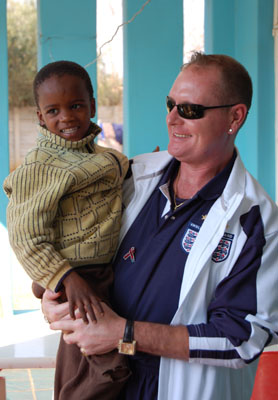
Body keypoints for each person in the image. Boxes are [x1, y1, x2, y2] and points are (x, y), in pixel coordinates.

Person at [44, 52, 278, 400]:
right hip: (100, 383)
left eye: (189, 110)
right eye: (170, 104)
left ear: (235, 117)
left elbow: (241, 339)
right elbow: (77, 247)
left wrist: (124, 333)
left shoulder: (254, 220)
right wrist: (55, 291)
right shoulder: (131, 175)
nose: (171, 119)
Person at [3, 60, 130, 399]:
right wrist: (66, 278)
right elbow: (26, 236)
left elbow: (119, 177)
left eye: (75, 106)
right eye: (54, 110)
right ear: (40, 117)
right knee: (105, 366)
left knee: (84, 363)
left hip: (102, 273)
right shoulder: (40, 167)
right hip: (76, 277)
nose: (67, 118)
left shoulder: (103, 158)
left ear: (91, 105)